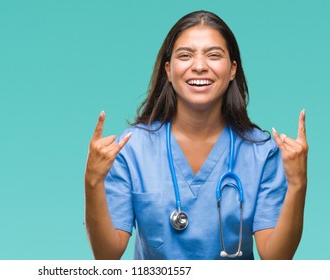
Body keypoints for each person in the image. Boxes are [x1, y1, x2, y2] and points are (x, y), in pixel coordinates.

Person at [84, 10, 308, 260]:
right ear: (168, 70)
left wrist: (298, 184)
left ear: (232, 69)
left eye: (214, 55)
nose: (199, 66)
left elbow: (276, 260)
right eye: (185, 55)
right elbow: (106, 256)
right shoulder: (131, 148)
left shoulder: (261, 153)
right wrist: (93, 181)